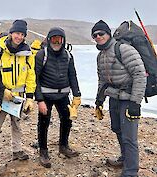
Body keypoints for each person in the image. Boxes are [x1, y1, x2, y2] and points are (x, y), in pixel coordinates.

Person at [92, 20, 146, 177]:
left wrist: (136, 103)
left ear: (108, 34)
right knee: (117, 129)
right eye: (95, 35)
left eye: (101, 34)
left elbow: (140, 75)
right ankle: (124, 158)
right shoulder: (100, 56)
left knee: (129, 137)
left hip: (129, 98)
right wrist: (99, 100)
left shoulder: (124, 50)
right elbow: (102, 80)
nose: (98, 37)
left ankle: (130, 172)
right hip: (113, 98)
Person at [0, 19, 36, 176]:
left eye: (22, 34)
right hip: (1, 97)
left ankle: (17, 150)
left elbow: (30, 75)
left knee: (17, 126)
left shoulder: (27, 54)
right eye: (17, 33)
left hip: (18, 99)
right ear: (11, 33)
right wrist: (1, 90)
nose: (19, 37)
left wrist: (29, 97)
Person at [35, 27, 81, 168]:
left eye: (59, 39)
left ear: (63, 40)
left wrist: (77, 94)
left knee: (67, 120)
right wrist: (39, 100)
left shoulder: (68, 55)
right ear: (49, 40)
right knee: (44, 123)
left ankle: (63, 146)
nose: (56, 42)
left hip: (63, 95)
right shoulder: (41, 55)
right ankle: (43, 151)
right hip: (46, 96)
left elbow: (72, 75)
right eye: (54, 39)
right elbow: (35, 78)